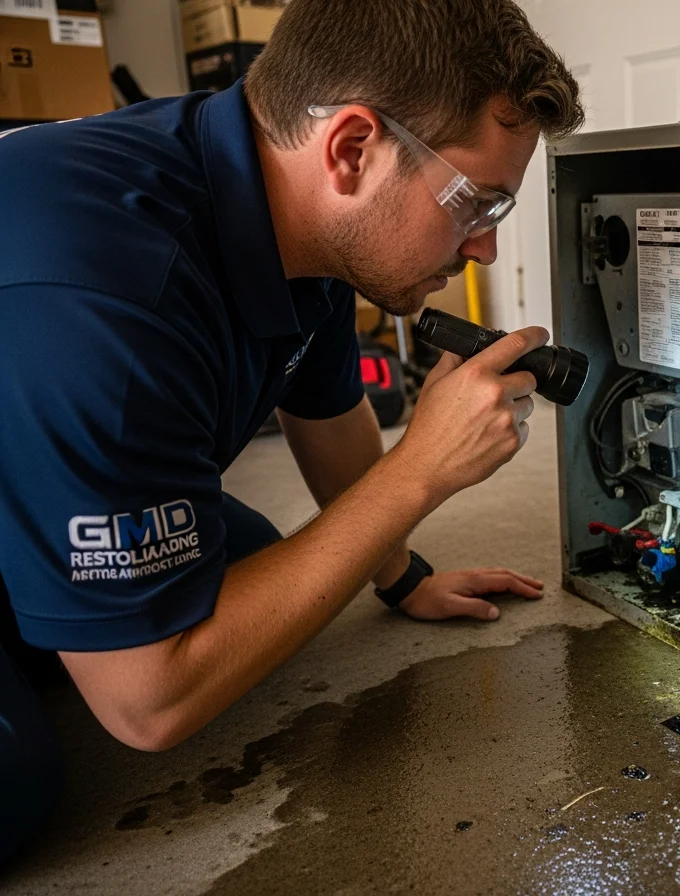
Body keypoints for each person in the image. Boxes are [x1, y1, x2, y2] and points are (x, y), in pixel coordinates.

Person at [0, 0, 582, 864]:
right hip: (53, 376)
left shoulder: (292, 214)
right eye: (478, 205)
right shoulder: (110, 303)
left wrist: (400, 574)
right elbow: (148, 707)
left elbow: (326, 414)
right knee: (18, 784)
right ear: (352, 147)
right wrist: (420, 471)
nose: (485, 252)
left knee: (253, 560)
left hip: (28, 447)